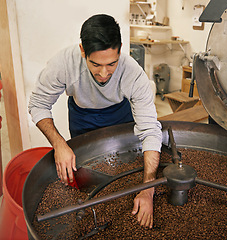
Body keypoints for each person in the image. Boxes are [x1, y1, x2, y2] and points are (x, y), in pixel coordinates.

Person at [28, 14, 162, 228]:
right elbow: (38, 104)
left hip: (120, 116)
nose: (103, 73)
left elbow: (150, 130)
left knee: (124, 169)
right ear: (83, 51)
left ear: (120, 51)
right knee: (87, 173)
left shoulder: (133, 74)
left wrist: (148, 189)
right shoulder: (64, 64)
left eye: (112, 64)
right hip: (82, 118)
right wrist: (59, 143)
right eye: (95, 64)